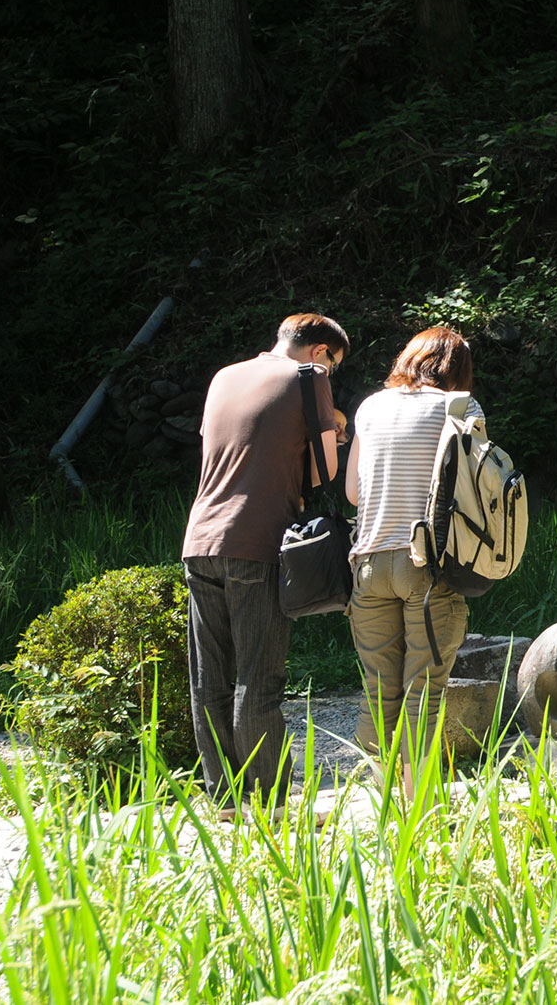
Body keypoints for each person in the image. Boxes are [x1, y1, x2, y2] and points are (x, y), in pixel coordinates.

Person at [182, 312, 348, 807]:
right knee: (259, 677)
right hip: (256, 542)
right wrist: (336, 431)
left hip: (200, 538)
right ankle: (269, 805)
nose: (330, 372)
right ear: (320, 352)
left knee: (209, 678)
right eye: (334, 363)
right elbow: (324, 474)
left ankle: (226, 802)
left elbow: (240, 449)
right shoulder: (309, 378)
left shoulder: (224, 376)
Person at [345, 325, 483, 774]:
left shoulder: (369, 406)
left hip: (367, 564)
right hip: (428, 567)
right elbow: (476, 492)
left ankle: (375, 799)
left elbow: (352, 492)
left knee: (377, 689)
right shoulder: (460, 407)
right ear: (457, 368)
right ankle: (418, 809)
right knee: (423, 692)